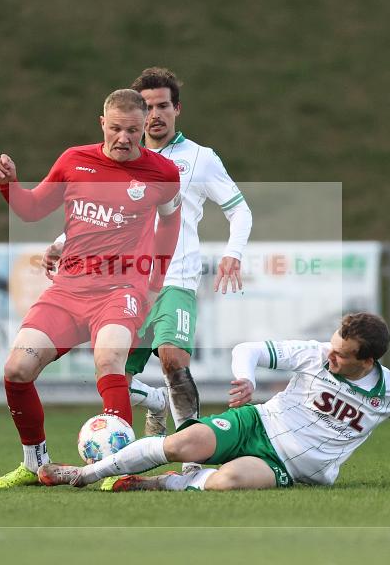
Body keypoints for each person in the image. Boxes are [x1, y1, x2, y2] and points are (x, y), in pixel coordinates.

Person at [42, 68, 253, 474]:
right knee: (115, 370)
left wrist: (233, 253)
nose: (155, 115)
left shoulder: (199, 159)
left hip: (175, 276)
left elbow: (238, 209)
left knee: (173, 357)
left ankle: (192, 452)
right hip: (123, 279)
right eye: (148, 107)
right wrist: (61, 242)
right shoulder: (119, 160)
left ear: (177, 109)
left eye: (162, 106)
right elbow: (98, 216)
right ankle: (152, 406)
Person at [0, 89, 182, 489]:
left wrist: (153, 283)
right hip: (68, 290)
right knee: (16, 369)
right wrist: (10, 186)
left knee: (109, 359)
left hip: (120, 289)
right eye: (116, 129)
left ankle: (119, 470)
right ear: (102, 124)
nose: (124, 138)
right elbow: (33, 209)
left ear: (145, 129)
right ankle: (33, 464)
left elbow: (169, 225)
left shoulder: (162, 174)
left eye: (133, 130)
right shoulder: (75, 160)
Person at [37, 313, 390, 491]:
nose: (330, 355)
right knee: (181, 444)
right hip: (256, 423)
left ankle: (162, 484)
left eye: (341, 354)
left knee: (227, 483)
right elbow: (249, 348)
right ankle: (83, 474)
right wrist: (245, 379)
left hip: (290, 468)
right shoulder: (314, 355)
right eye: (332, 345)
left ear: (367, 361)